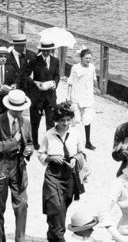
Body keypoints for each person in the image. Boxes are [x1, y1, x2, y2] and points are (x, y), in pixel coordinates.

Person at [0, 89, 33, 242]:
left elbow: (29, 142)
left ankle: (20, 239)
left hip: (18, 167)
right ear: (9, 107)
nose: (19, 112)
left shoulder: (26, 122)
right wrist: (14, 141)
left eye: (21, 109)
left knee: (22, 204)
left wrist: (28, 150)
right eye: (16, 109)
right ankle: (0, 239)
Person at [38, 102, 86, 242]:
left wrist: (75, 159)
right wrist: (51, 158)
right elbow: (40, 154)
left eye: (68, 120)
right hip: (53, 175)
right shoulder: (49, 135)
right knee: (56, 206)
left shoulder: (75, 133)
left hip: (70, 176)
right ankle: (59, 237)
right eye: (62, 120)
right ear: (56, 121)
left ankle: (52, 234)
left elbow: (82, 152)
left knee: (62, 208)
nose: (65, 123)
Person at [22, 40, 60, 144]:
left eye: (48, 51)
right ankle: (34, 142)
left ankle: (49, 143)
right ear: (41, 50)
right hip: (37, 95)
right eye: (44, 50)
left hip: (50, 96)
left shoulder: (55, 61)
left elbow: (57, 75)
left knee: (50, 121)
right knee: (35, 121)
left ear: (51, 50)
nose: (46, 53)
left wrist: (55, 84)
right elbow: (25, 75)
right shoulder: (35, 60)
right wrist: (35, 82)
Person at [67, 48, 99, 150]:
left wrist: (97, 88)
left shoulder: (92, 67)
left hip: (87, 97)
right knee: (75, 120)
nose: (88, 60)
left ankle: (88, 142)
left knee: (87, 120)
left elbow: (94, 79)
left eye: (90, 58)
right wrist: (68, 96)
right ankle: (70, 141)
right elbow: (70, 82)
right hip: (76, 96)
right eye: (86, 58)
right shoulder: (75, 68)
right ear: (81, 58)